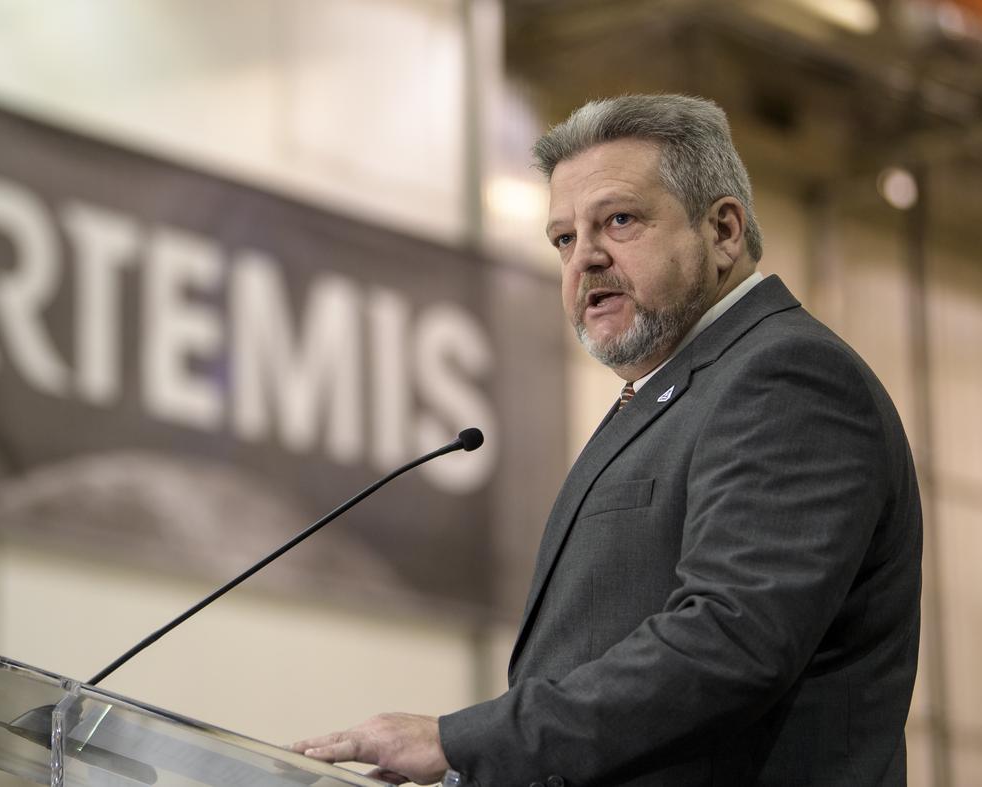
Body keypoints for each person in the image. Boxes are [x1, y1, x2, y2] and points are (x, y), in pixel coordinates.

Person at [291, 94, 921, 786]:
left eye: (619, 220)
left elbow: (729, 640)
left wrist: (466, 740)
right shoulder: (674, 392)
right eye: (564, 238)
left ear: (724, 231)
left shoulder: (787, 377)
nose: (585, 258)